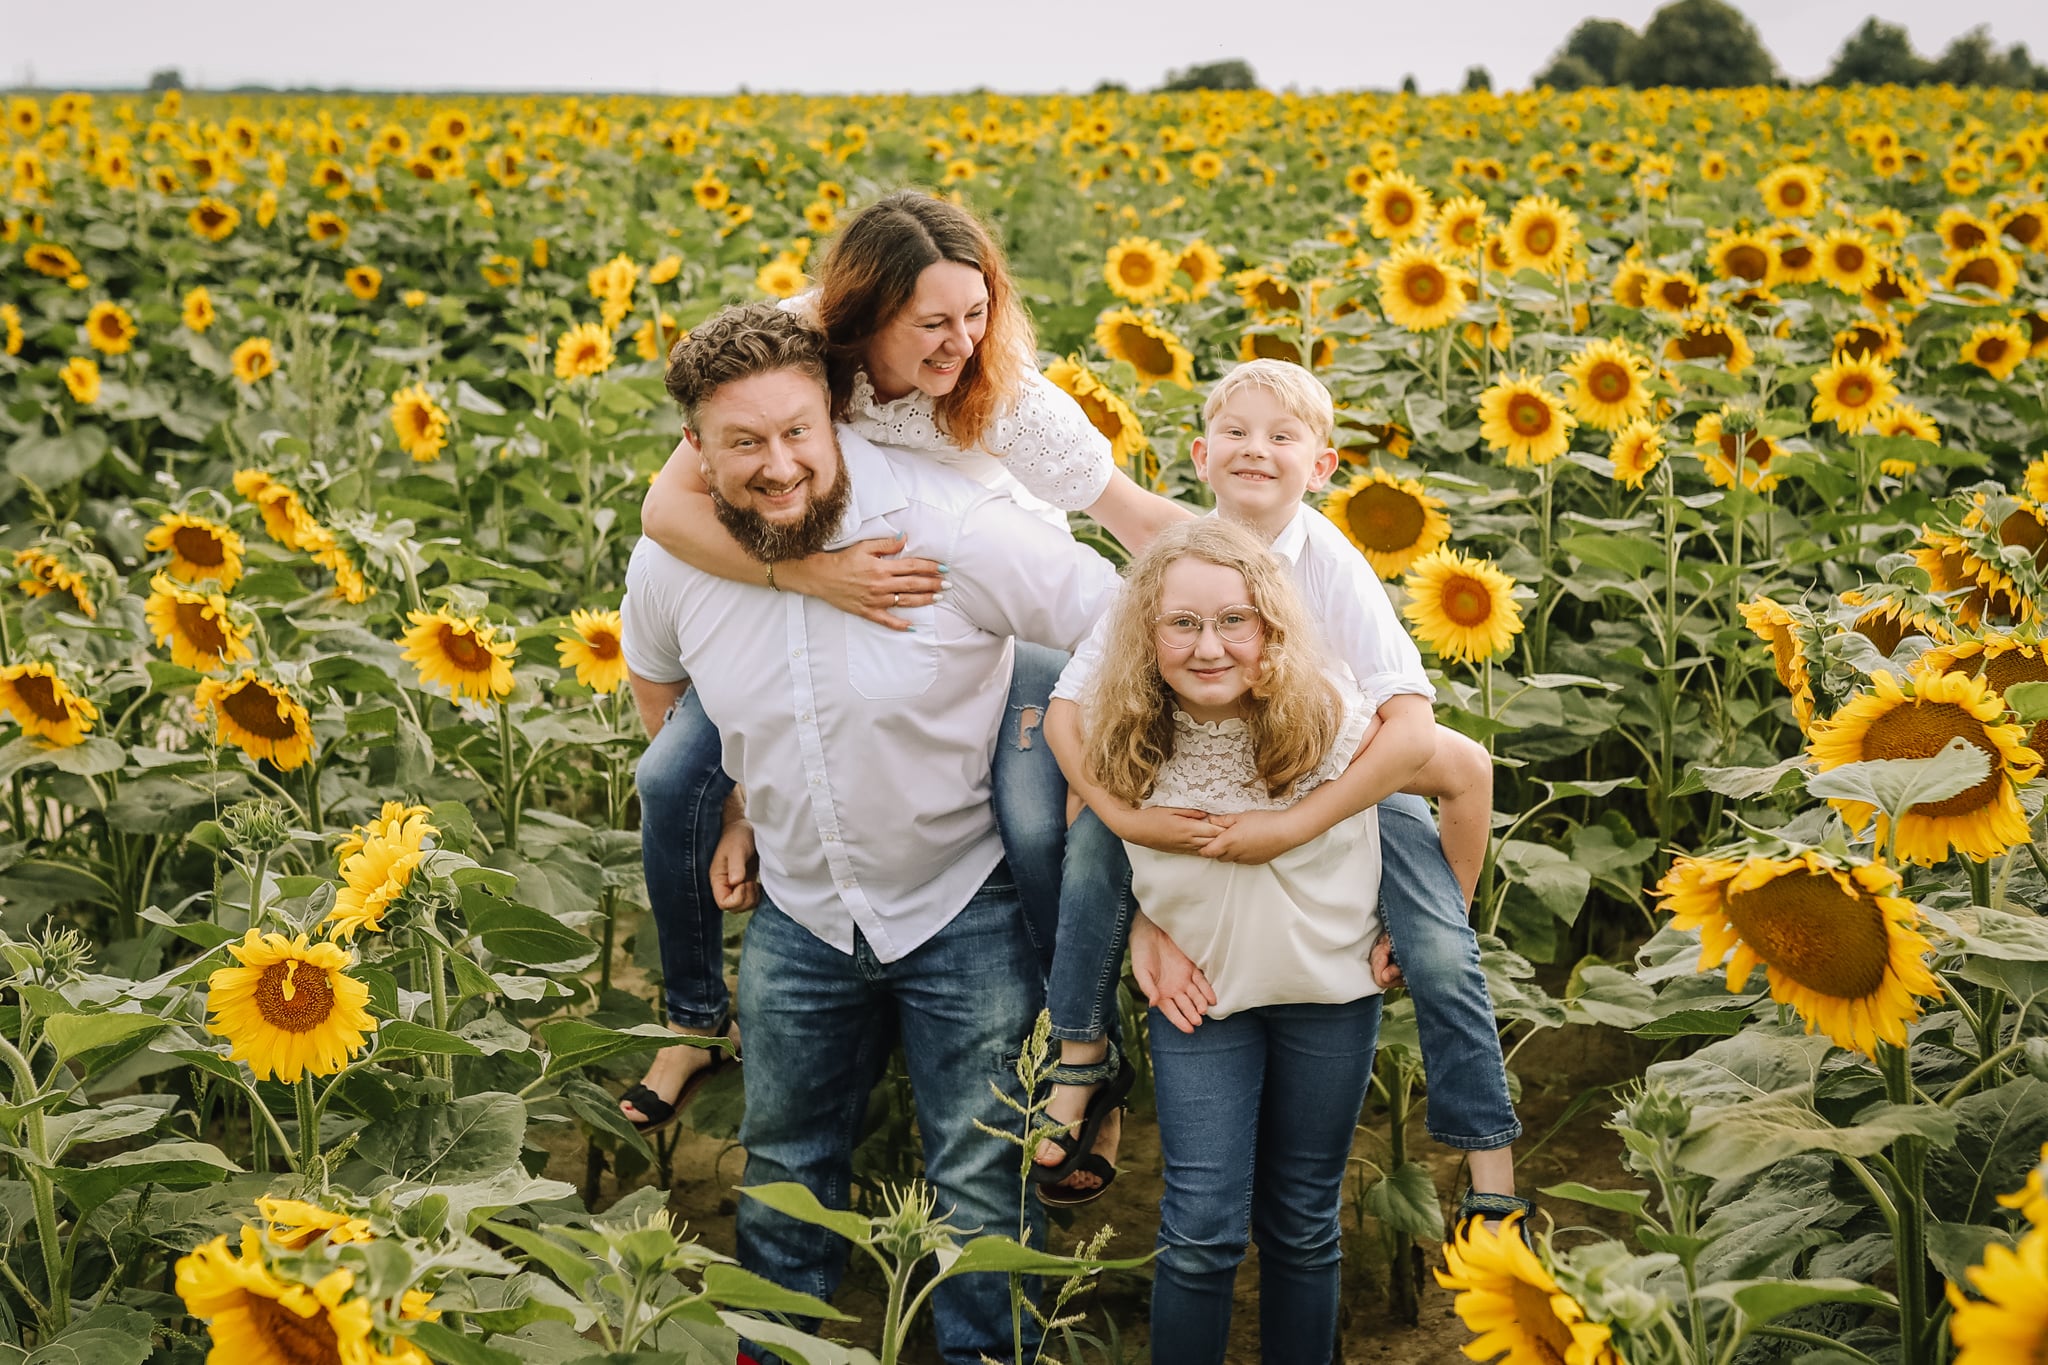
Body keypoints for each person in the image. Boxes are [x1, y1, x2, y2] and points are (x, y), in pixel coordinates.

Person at [620, 302, 1119, 1365]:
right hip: (799, 913)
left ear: (838, 419)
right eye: (742, 443)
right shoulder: (673, 563)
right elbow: (657, 686)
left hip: (961, 901)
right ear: (695, 454)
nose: (778, 466)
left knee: (981, 1182)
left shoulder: (945, 529)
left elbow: (1115, 622)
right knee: (784, 1171)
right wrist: (737, 808)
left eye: (797, 432)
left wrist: (1085, 779)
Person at [622, 190, 1181, 1133]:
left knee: (1035, 821)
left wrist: (1280, 567)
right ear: (865, 313)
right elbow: (665, 513)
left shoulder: (1005, 398)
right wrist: (807, 575)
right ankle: (692, 1017)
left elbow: (1135, 520)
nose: (960, 341)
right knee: (674, 773)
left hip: (986, 601)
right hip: (832, 574)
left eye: (977, 314)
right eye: (932, 322)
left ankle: (1083, 1052)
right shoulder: (795, 351)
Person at [1040, 360, 1525, 1225]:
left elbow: (1421, 737)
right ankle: (1081, 1059)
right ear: (1199, 454)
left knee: (1444, 954)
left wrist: (1423, 909)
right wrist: (1120, 813)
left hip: (1349, 778)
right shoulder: (1175, 564)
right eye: (1236, 431)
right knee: (1081, 840)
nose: (1256, 450)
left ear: (1323, 465)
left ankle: (1490, 1173)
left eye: (1281, 436)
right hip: (1199, 770)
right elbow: (1073, 708)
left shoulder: (1328, 559)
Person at [1076, 517, 1394, 1363]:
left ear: (1271, 628)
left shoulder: (1326, 715)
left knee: (1300, 1223)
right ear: (1146, 632)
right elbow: (1104, 843)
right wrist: (1146, 919)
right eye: (1182, 622)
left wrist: (1431, 922)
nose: (1209, 645)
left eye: (1234, 620)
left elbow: (1462, 773)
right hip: (1202, 999)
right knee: (1201, 1229)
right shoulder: (1125, 730)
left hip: (1330, 998)